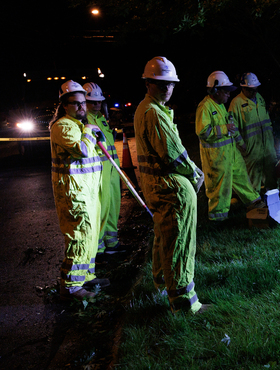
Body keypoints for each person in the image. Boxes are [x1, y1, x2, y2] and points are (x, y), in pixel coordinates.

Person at [134, 56, 207, 314]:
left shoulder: (148, 109)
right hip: (171, 189)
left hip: (161, 187)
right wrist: (196, 174)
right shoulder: (153, 113)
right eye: (161, 84)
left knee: (165, 238)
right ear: (148, 84)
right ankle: (183, 302)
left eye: (170, 84)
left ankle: (162, 285)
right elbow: (174, 154)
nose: (167, 88)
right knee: (179, 241)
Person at [50, 80, 109, 301]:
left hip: (88, 193)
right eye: (76, 104)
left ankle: (85, 276)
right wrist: (88, 131)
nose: (82, 107)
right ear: (64, 105)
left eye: (83, 103)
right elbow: (82, 151)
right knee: (79, 237)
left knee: (91, 237)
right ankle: (71, 286)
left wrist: (90, 131)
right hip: (74, 195)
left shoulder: (78, 125)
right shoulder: (63, 126)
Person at [195, 71, 264, 223]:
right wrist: (225, 128)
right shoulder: (205, 107)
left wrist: (240, 143)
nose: (228, 95)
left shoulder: (220, 105)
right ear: (216, 90)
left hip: (231, 154)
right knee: (220, 188)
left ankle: (255, 203)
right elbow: (203, 132)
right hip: (217, 158)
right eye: (226, 92)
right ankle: (218, 220)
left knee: (242, 179)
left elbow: (231, 128)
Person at [83, 82, 128, 260]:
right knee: (100, 210)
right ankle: (99, 251)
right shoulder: (84, 120)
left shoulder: (100, 118)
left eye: (99, 102)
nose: (96, 105)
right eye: (92, 102)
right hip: (99, 173)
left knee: (113, 207)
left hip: (112, 171)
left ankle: (112, 244)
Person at [229, 72, 277, 193]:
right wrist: (242, 144)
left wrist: (272, 138)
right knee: (253, 180)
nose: (254, 93)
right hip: (251, 150)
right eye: (251, 90)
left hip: (268, 147)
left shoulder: (259, 98)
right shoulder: (236, 103)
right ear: (243, 88)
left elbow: (266, 121)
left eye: (255, 90)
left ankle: (272, 203)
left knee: (271, 176)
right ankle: (255, 207)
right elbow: (232, 128)